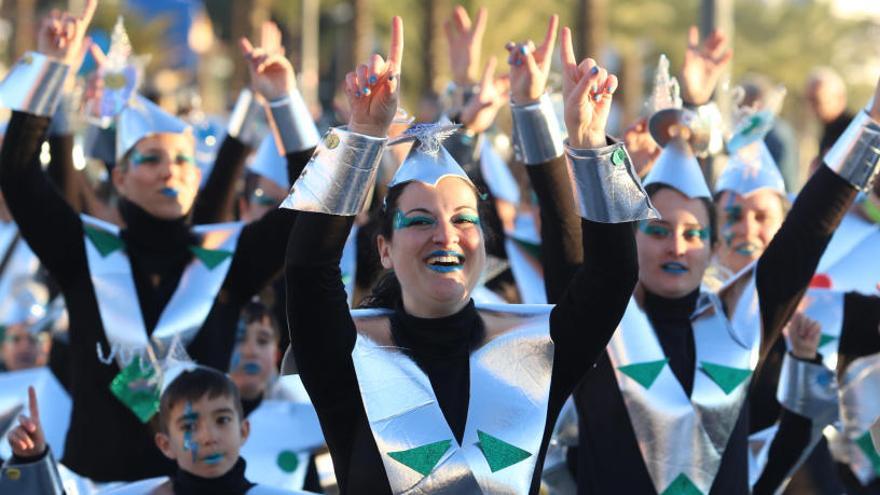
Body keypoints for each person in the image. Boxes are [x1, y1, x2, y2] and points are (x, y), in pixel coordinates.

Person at [283, 15, 655, 494]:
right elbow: (307, 268)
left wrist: (588, 144)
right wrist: (361, 136)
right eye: (419, 221)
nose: (446, 235)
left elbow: (612, 272)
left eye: (464, 219)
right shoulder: (349, 354)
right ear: (385, 250)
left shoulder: (536, 347)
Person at [530, 26, 878, 495]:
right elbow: (565, 235)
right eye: (658, 231)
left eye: (695, 233)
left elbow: (807, 229)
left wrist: (872, 121)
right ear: (630, 238)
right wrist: (575, 136)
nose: (677, 246)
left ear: (715, 248)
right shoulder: (596, 328)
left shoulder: (741, 321)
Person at [0, 0, 318, 481]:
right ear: (120, 178)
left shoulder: (228, 260)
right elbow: (18, 175)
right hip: (98, 488)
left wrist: (282, 101)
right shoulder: (82, 252)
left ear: (197, 178)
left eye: (183, 161)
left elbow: (314, 208)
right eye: (150, 160)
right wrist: (51, 68)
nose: (170, 170)